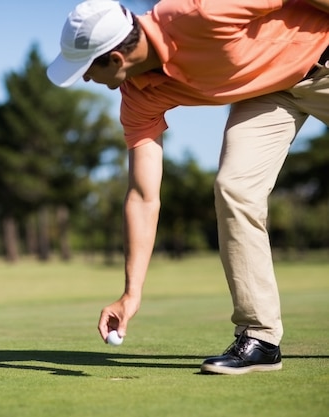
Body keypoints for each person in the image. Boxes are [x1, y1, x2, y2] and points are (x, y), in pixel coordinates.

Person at [47, 0, 329, 374]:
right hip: (268, 91)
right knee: (235, 189)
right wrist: (132, 293)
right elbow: (143, 196)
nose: (84, 79)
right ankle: (260, 337)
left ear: (116, 59)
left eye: (85, 69)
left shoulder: (198, 12)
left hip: (321, 59)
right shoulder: (138, 95)